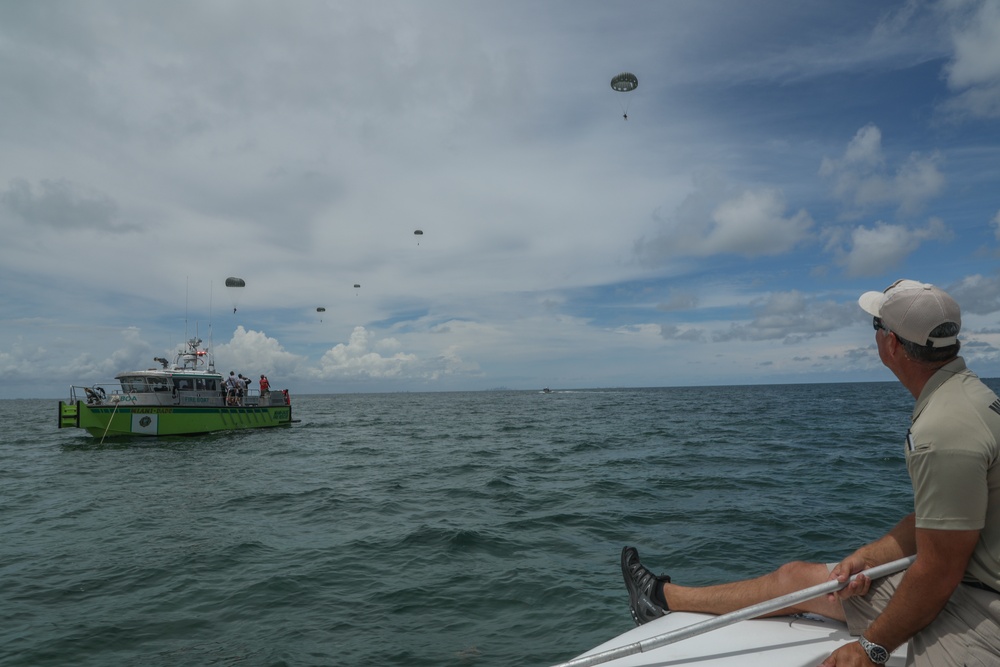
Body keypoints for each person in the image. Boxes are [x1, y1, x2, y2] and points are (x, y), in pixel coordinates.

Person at [621, 279, 1000, 666]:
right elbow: (944, 519)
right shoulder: (968, 396)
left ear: (891, 345)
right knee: (797, 579)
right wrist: (869, 556)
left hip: (983, 607)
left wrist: (871, 647)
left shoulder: (943, 429)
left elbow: (939, 570)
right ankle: (661, 598)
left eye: (877, 327)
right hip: (965, 579)